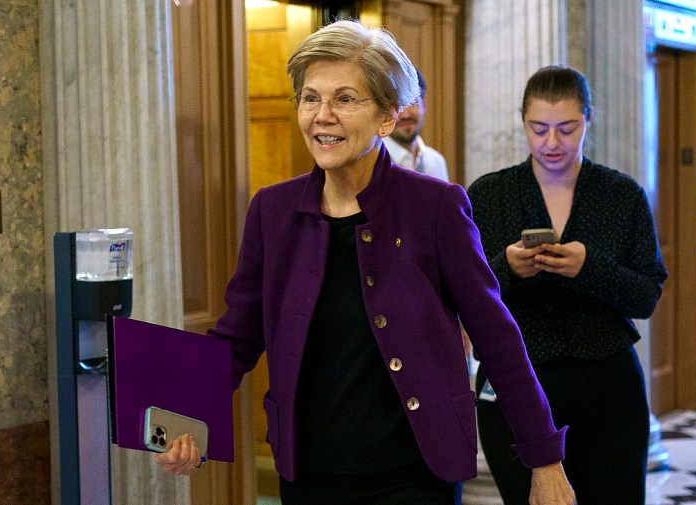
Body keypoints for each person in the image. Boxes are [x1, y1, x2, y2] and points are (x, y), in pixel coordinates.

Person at [156, 21, 575, 505]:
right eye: (310, 98)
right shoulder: (272, 211)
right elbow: (235, 338)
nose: (322, 116)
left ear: (386, 117)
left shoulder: (435, 208)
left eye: (345, 99)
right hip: (309, 475)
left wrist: (544, 459)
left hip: (414, 474)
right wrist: (182, 420)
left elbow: (497, 337)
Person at [467, 65, 668, 505]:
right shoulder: (488, 194)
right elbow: (461, 294)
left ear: (588, 119)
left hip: (606, 387)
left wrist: (588, 266)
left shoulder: (621, 194)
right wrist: (508, 268)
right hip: (516, 382)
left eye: (567, 128)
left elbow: (647, 295)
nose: (552, 143)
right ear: (523, 122)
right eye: (539, 129)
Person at [382, 69, 449, 181]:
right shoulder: (372, 165)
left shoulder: (436, 162)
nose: (405, 115)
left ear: (425, 103)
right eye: (397, 106)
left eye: (412, 103)